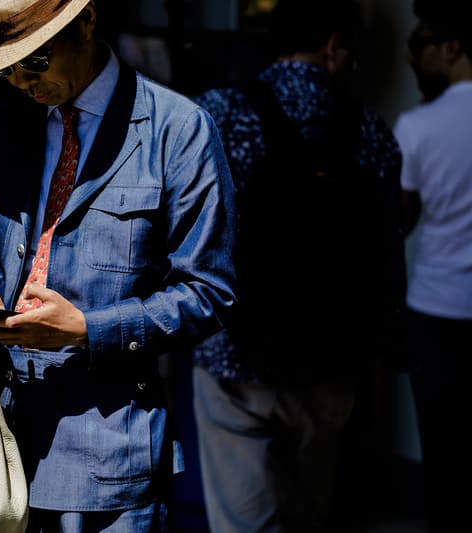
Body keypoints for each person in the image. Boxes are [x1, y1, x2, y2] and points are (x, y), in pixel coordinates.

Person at [0, 0, 237, 530]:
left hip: (113, 454)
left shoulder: (178, 130)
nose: (18, 80)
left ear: (85, 22)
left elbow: (207, 293)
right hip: (0, 447)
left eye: (33, 61)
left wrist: (87, 330)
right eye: (4, 66)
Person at [190, 0, 406, 531]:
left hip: (235, 358)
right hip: (329, 360)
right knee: (310, 513)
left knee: (243, 520)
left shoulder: (216, 113)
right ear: (333, 46)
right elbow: (387, 251)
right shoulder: (372, 132)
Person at [393, 1, 472, 531]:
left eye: (419, 46)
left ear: (452, 48)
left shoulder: (419, 125)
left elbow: (401, 220)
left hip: (437, 307)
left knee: (442, 446)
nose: (411, 60)